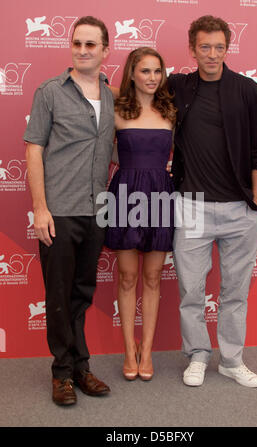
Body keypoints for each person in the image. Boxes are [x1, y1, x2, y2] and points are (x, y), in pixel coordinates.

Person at [168, 15, 257, 387]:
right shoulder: (178, 86)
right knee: (191, 291)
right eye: (205, 47)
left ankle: (231, 359)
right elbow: (136, 90)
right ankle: (197, 355)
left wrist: (254, 200)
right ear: (192, 49)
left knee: (235, 293)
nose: (212, 54)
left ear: (228, 48)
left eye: (219, 47)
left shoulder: (247, 89)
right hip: (192, 206)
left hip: (239, 210)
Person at [24, 16, 115, 406]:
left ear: (105, 51)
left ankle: (80, 367)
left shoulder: (112, 95)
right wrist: (40, 208)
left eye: (91, 45)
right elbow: (33, 149)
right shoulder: (49, 92)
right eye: (77, 43)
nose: (82, 50)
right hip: (58, 210)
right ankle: (61, 372)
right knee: (59, 295)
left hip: (96, 211)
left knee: (81, 293)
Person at [104, 47, 176, 381]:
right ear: (132, 73)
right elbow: (98, 85)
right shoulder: (116, 109)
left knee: (152, 277)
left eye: (157, 71)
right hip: (124, 196)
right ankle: (127, 350)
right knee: (128, 277)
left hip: (161, 195)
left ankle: (146, 353)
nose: (151, 78)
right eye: (144, 71)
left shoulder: (171, 111)